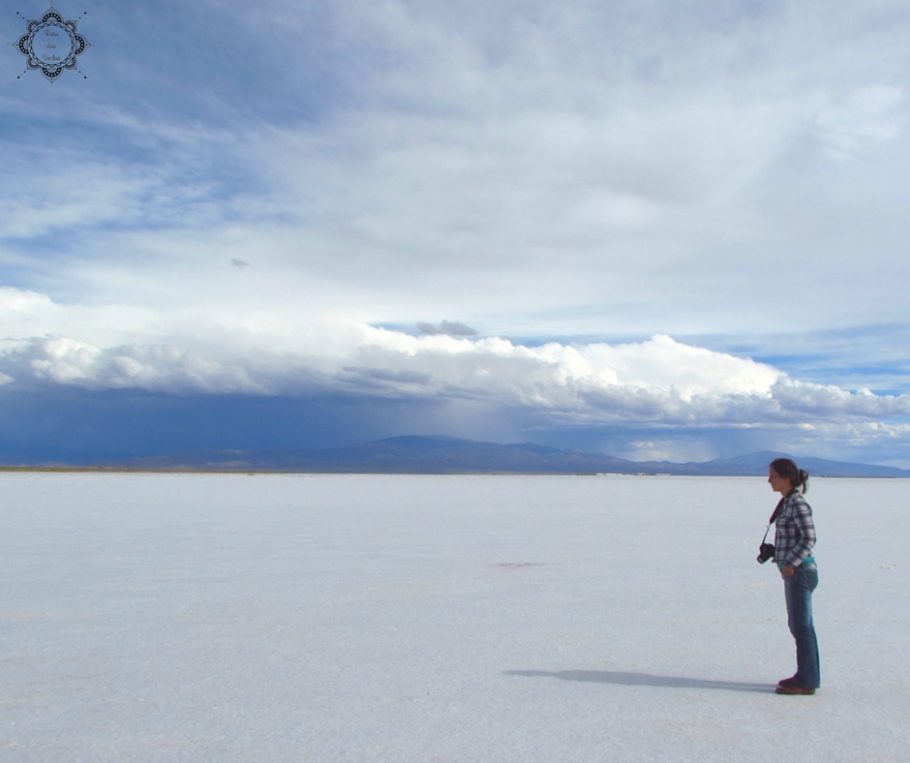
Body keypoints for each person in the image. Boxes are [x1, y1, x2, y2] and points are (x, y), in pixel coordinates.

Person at [765, 457, 820, 695]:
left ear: (786, 478)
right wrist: (776, 553)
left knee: (802, 626)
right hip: (793, 571)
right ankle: (804, 675)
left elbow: (809, 538)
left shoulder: (797, 503)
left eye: (773, 476)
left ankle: (807, 681)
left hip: (801, 572)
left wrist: (791, 563)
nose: (769, 480)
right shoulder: (787, 502)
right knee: (799, 625)